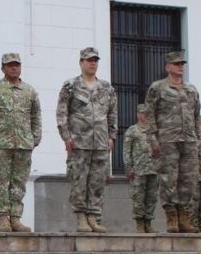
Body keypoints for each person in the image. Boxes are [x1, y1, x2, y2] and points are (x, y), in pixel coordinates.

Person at [0, 52, 41, 232]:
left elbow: (36, 115)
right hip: (1, 144)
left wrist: (35, 137)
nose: (14, 67)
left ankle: (16, 218)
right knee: (2, 182)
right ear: (3, 68)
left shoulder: (29, 91)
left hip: (23, 144)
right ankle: (3, 218)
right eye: (10, 65)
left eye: (17, 64)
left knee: (19, 183)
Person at [57, 47, 117, 233]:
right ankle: (81, 217)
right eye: (89, 60)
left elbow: (112, 113)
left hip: (100, 142)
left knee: (97, 181)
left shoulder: (106, 88)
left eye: (95, 60)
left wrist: (112, 136)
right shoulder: (71, 86)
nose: (93, 63)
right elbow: (62, 112)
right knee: (79, 180)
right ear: (81, 62)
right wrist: (66, 136)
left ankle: (94, 216)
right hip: (79, 142)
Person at [145, 51, 201, 232]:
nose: (180, 66)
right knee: (169, 179)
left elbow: (196, 115)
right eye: (176, 64)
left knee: (189, 179)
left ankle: (184, 216)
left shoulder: (191, 90)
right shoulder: (158, 88)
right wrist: (153, 138)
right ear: (167, 67)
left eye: (182, 64)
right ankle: (171, 216)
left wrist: (198, 139)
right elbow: (150, 114)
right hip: (167, 139)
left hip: (189, 139)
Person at [123, 104, 158, 233]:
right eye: (143, 113)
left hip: (152, 169)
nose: (145, 116)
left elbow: (159, 150)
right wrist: (129, 167)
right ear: (138, 114)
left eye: (147, 114)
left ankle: (148, 222)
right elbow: (126, 150)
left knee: (151, 197)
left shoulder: (153, 131)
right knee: (138, 197)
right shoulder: (132, 131)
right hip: (138, 169)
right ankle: (139, 223)